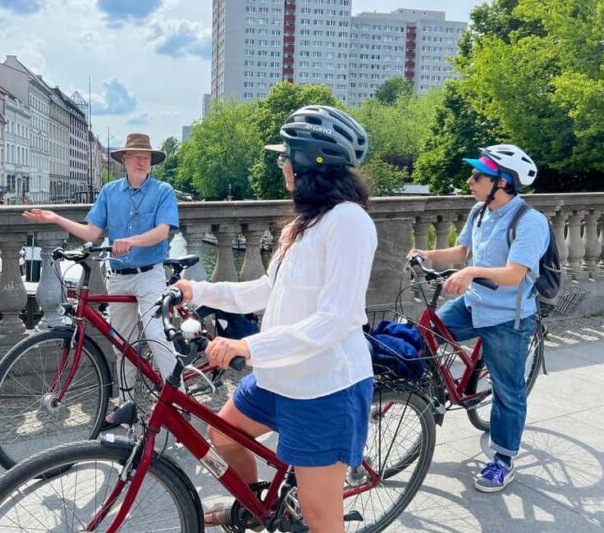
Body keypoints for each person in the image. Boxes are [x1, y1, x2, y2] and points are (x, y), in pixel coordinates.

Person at [175, 105, 377, 533]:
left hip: (325, 388)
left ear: (308, 162)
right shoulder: (301, 224)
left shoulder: (349, 222)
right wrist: (201, 290)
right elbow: (268, 289)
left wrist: (248, 346)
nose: (281, 164)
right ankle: (257, 507)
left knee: (322, 518)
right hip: (278, 376)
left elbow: (335, 318)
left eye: (286, 156)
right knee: (224, 435)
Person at [408, 144, 549, 492]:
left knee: (508, 392)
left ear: (502, 182)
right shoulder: (480, 211)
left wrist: (469, 272)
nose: (469, 180)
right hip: (473, 303)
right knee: (423, 332)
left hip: (507, 316)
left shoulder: (530, 222)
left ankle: (503, 459)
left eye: (477, 176)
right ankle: (426, 393)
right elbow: (461, 251)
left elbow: (515, 274)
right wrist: (426, 253)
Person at [23, 132, 180, 428]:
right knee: (122, 344)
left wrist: (131, 241)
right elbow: (93, 233)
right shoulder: (110, 192)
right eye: (135, 156)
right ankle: (126, 404)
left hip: (149, 276)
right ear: (123, 160)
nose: (141, 161)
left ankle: (180, 400)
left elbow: (163, 231)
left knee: (157, 335)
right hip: (119, 277)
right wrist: (56, 219)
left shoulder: (163, 191)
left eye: (146, 157)